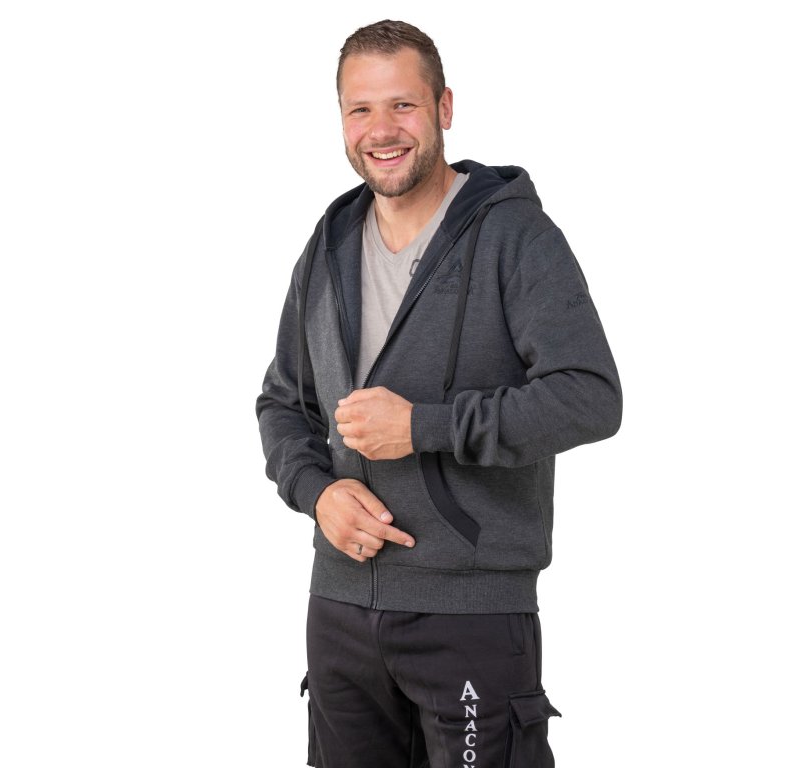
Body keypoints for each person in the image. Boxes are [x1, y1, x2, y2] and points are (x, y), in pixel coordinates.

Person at [256, 19, 622, 768]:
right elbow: (283, 402)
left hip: (471, 613)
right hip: (340, 611)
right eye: (360, 109)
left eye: (404, 105)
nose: (382, 130)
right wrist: (317, 494)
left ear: (445, 107)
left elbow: (589, 396)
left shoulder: (515, 237)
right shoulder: (328, 244)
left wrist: (425, 427)